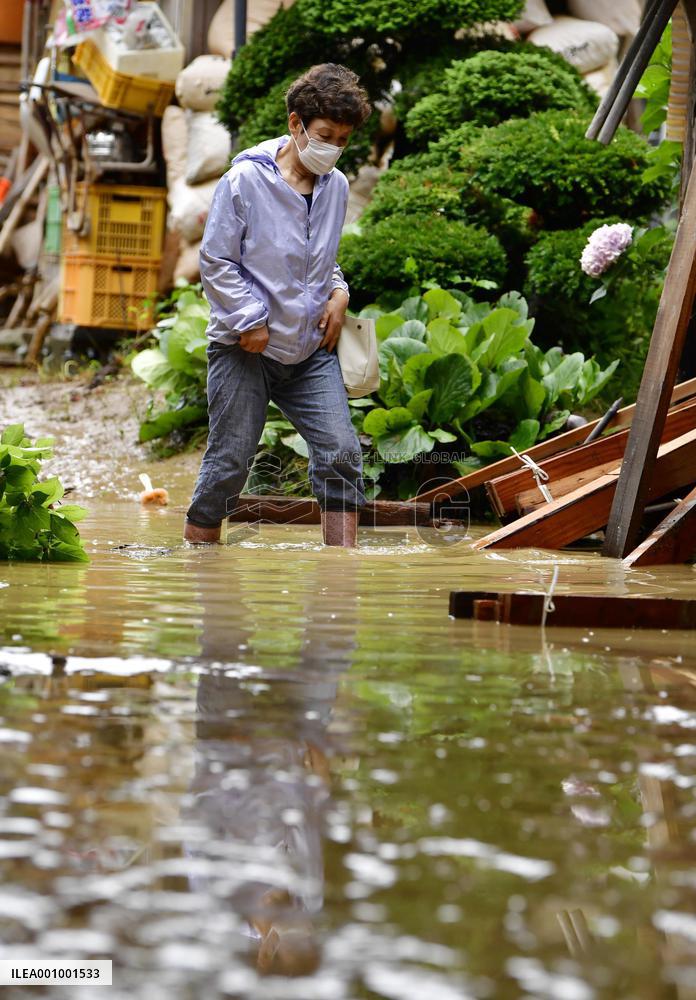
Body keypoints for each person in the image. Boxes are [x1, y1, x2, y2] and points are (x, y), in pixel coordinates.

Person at [183, 63, 372, 548]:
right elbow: (216, 261)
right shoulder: (244, 182)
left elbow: (321, 261)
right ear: (296, 124)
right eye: (325, 135)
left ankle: (340, 572)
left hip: (308, 350)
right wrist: (250, 319)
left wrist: (340, 292)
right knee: (230, 462)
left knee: (342, 454)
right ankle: (198, 560)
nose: (333, 147)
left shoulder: (338, 187)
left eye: (344, 140)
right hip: (245, 349)